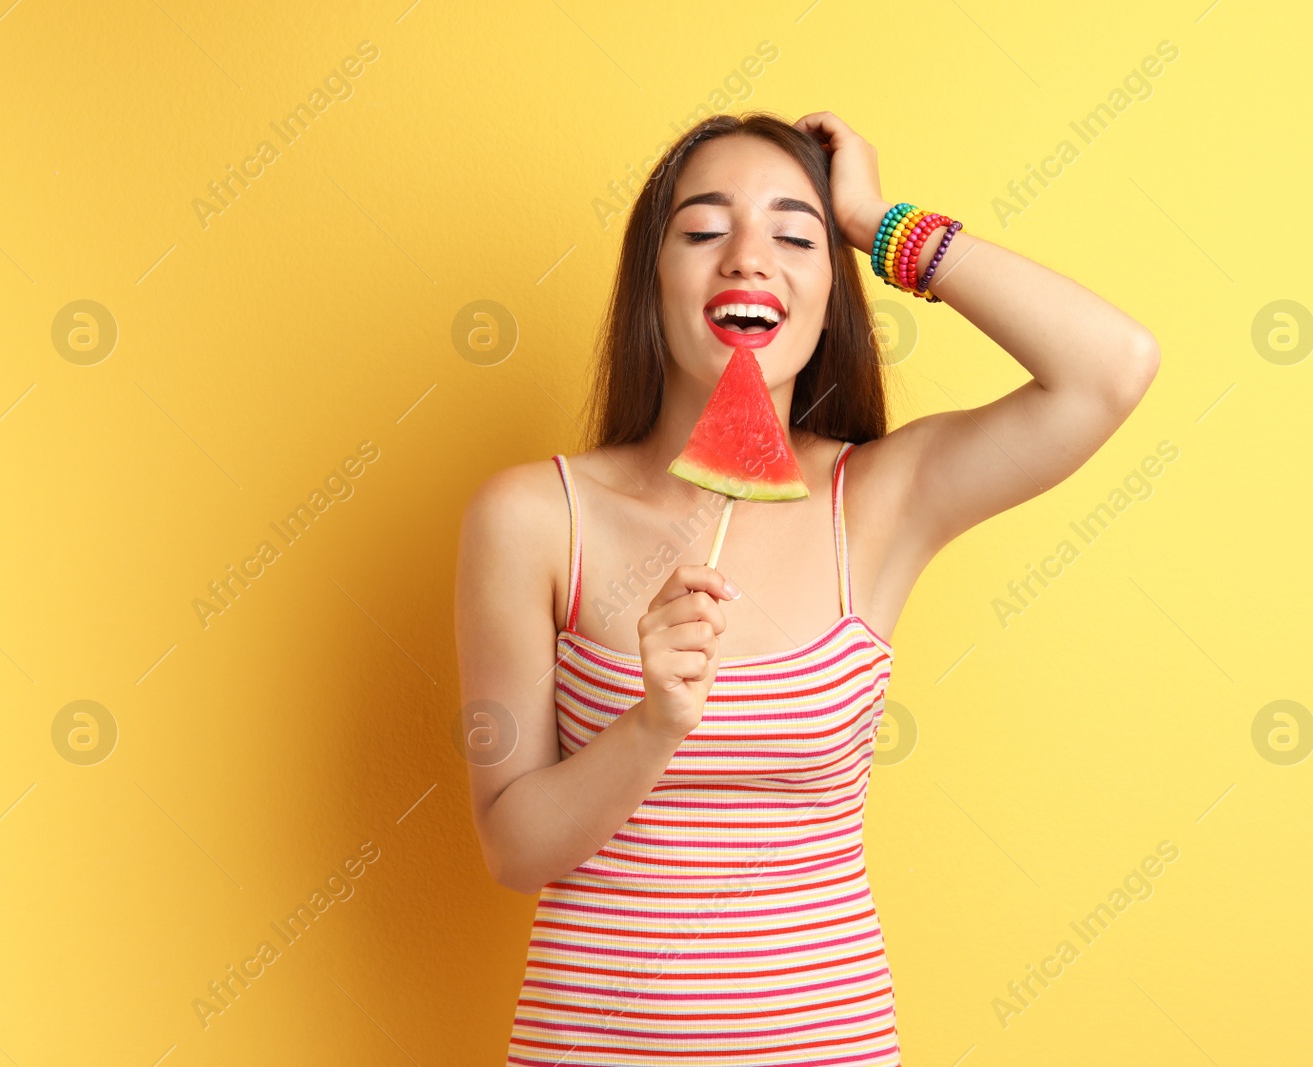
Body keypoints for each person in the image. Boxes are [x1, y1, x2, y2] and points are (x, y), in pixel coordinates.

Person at [454, 110, 1159, 1065]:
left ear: (832, 291)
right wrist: (651, 723)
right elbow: (513, 849)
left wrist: (878, 218)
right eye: (704, 231)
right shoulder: (534, 518)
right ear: (650, 282)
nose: (749, 258)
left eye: (796, 236)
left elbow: (1111, 368)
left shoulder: (874, 504)